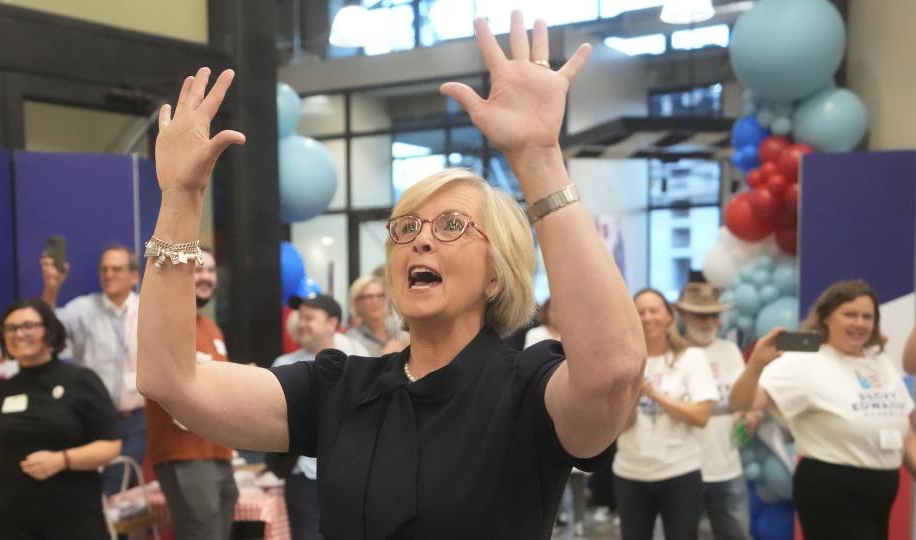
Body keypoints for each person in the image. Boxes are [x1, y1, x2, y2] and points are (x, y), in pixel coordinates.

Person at [137, 11, 644, 539]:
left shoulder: (526, 392)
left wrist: (539, 160)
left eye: (451, 226)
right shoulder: (341, 390)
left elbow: (614, 371)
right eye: (406, 227)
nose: (420, 239)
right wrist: (180, 199)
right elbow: (170, 380)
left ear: (496, 276)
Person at [730, 280, 914, 540]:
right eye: (850, 314)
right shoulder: (804, 361)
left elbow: (905, 433)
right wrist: (755, 366)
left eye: (867, 316)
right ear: (826, 317)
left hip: (881, 489)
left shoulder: (879, 360)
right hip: (831, 488)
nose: (859, 323)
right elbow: (742, 403)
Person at [0, 299, 121, 539]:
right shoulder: (0, 390)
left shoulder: (81, 380)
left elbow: (111, 445)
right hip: (8, 522)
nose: (19, 334)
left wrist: (62, 460)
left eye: (28, 326)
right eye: (11, 328)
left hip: (70, 520)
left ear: (48, 330)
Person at [145, 247, 238, 540]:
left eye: (211, 270)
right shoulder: (167, 322)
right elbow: (166, 386)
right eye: (199, 270)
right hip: (184, 453)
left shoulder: (212, 328)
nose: (207, 277)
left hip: (219, 451)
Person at [613, 288, 719, 540]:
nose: (647, 317)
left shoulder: (691, 358)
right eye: (640, 312)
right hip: (630, 473)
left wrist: (655, 394)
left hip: (679, 472)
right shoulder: (623, 362)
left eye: (654, 311)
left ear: (669, 316)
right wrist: (633, 398)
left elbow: (701, 416)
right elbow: (618, 428)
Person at [42, 244, 146, 494]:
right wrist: (52, 289)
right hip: (94, 418)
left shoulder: (147, 309)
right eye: (104, 269)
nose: (109, 275)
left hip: (137, 419)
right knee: (100, 491)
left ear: (134, 276)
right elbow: (46, 330)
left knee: (121, 491)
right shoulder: (84, 309)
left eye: (117, 269)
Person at [273, 294, 355, 540]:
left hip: (348, 476)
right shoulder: (283, 364)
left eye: (310, 318)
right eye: (300, 317)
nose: (301, 323)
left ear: (332, 323)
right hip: (303, 480)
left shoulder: (356, 363)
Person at [675, 283, 750, 540]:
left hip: (728, 467)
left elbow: (744, 400)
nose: (708, 321)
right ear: (683, 315)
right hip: (681, 471)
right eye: (700, 314)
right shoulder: (672, 354)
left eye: (713, 314)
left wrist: (750, 415)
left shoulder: (730, 351)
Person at [345, 275, 409, 356]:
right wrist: (385, 354)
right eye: (369, 297)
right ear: (356, 303)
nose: (375, 301)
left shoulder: (400, 325)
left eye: (380, 296)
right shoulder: (352, 339)